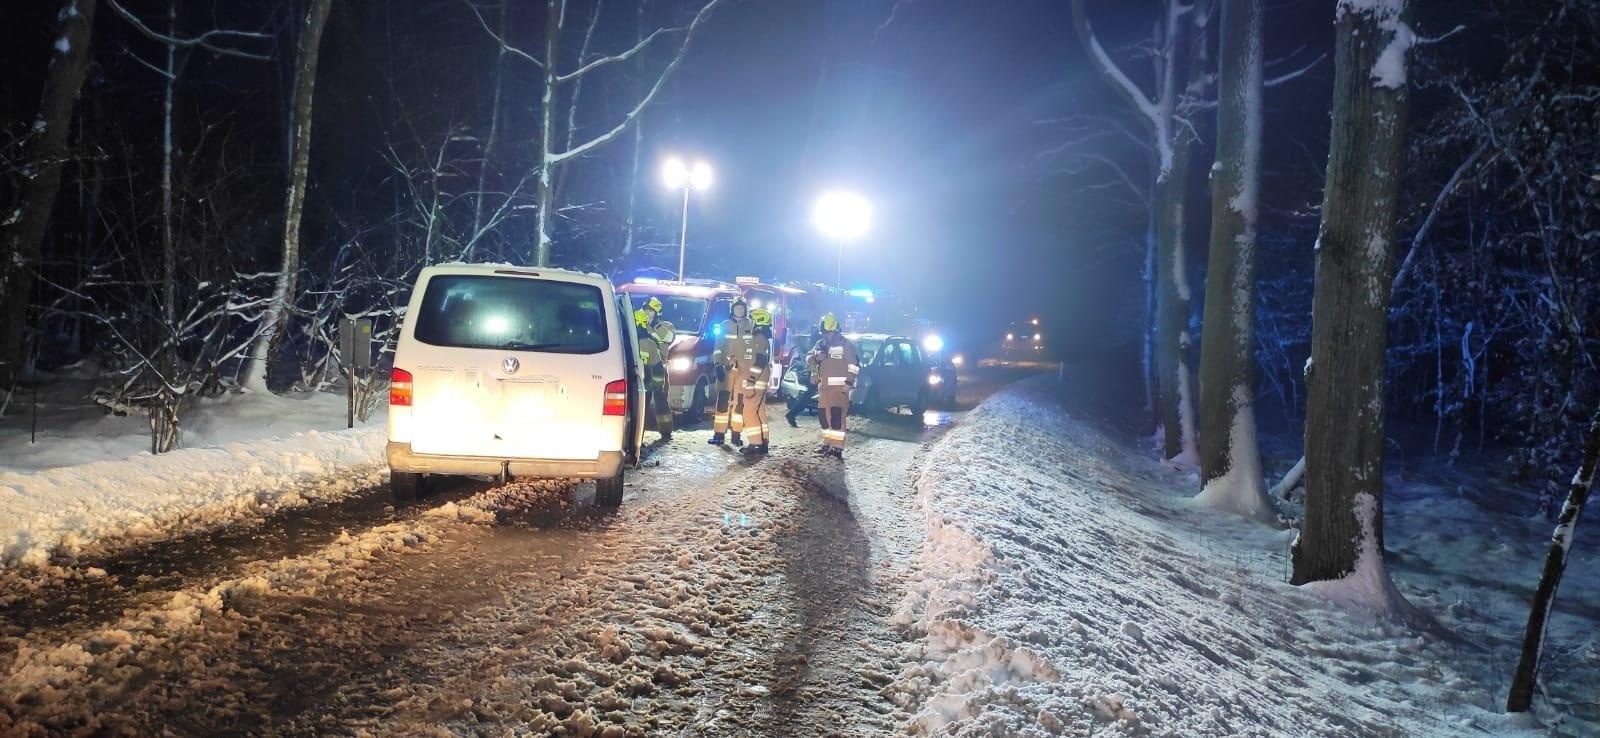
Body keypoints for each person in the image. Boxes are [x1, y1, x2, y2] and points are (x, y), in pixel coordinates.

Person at [807, 312, 858, 458]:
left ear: (836, 330)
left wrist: (849, 383)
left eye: (830, 332)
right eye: (824, 332)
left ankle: (837, 448)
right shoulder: (820, 345)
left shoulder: (846, 345)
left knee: (837, 418)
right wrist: (816, 357)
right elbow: (808, 360)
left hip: (840, 389)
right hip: (824, 389)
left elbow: (854, 366)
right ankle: (827, 443)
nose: (827, 335)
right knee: (824, 418)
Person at [709, 296, 755, 446]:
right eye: (736, 308)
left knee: (740, 404)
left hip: (744, 372)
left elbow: (756, 348)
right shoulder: (724, 325)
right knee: (722, 402)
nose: (739, 310)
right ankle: (719, 434)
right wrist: (718, 365)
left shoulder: (752, 325)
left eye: (742, 308)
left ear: (745, 310)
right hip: (727, 370)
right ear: (732, 309)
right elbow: (718, 347)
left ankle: (736, 434)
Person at [736, 308, 775, 455]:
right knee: (759, 411)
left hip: (756, 380)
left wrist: (751, 381)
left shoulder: (758, 339)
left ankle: (756, 444)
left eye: (752, 320)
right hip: (759, 378)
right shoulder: (761, 338)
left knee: (749, 411)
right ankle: (763, 441)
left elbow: (759, 361)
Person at [635, 309, 672, 442]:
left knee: (657, 403)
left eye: (651, 310)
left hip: (649, 375)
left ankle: (665, 431)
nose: (648, 313)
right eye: (646, 310)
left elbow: (669, 337)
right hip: (649, 379)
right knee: (642, 410)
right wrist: (657, 385)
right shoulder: (648, 341)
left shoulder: (664, 326)